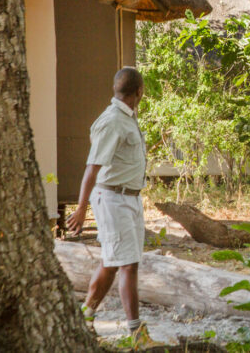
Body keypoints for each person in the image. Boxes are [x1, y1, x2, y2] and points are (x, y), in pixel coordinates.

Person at [66, 67, 153, 344]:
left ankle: (86, 316)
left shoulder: (127, 116)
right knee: (128, 265)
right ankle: (136, 334)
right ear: (139, 92)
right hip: (113, 199)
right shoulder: (113, 120)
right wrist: (81, 208)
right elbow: (92, 168)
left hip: (129, 198)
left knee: (113, 262)